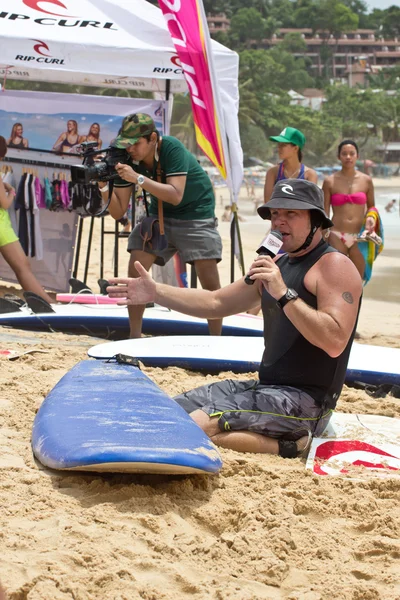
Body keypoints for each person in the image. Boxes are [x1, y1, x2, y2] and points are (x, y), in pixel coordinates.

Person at [107, 179, 362, 458]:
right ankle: (278, 437)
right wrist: (155, 292)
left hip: (307, 403)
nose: (279, 222)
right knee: (170, 413)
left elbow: (335, 340)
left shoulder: (334, 265)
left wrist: (282, 293)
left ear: (316, 221)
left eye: (291, 214)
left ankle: (290, 444)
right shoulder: (277, 265)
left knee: (193, 428)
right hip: (265, 388)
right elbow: (216, 302)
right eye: (275, 214)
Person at [98, 112, 223, 338]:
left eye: (135, 143)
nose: (130, 150)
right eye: (126, 144)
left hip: (195, 213)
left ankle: (216, 338)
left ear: (153, 138)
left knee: (209, 281)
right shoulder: (126, 159)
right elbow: (118, 212)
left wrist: (137, 178)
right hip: (160, 215)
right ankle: (134, 335)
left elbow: (175, 194)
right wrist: (102, 186)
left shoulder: (171, 148)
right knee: (136, 268)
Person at [0, 136, 53, 304]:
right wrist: (12, 193)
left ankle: (44, 301)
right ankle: (45, 302)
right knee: (23, 268)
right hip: (1, 226)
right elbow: (4, 203)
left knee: (22, 268)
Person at [322, 139, 377, 279]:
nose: (348, 157)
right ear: (339, 156)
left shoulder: (366, 180)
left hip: (359, 237)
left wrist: (371, 217)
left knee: (357, 281)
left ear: (357, 156)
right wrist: (322, 238)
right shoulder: (330, 181)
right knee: (335, 279)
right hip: (336, 235)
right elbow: (324, 212)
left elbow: (372, 207)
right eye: (344, 153)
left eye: (352, 153)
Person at [264, 127, 318, 203]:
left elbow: (312, 204)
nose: (279, 148)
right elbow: (267, 203)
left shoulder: (310, 174)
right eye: (279, 145)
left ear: (295, 148)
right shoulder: (273, 172)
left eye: (283, 145)